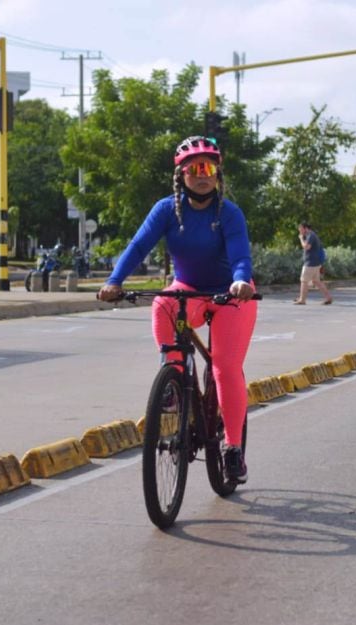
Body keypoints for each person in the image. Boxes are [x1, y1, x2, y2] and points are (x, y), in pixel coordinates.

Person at [98, 135, 257, 483]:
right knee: (162, 303)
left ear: (217, 175)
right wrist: (115, 281)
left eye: (209, 168)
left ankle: (232, 450)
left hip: (232, 294)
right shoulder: (166, 209)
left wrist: (241, 280)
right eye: (195, 168)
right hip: (190, 289)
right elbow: (138, 245)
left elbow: (241, 255)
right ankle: (173, 380)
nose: (203, 174)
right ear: (182, 174)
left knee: (224, 367)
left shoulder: (228, 213)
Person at [294, 222, 332, 305]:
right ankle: (328, 298)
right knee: (316, 281)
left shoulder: (310, 235)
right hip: (315, 262)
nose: (300, 231)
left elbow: (306, 247)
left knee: (304, 280)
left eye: (301, 229)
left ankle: (302, 299)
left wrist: (301, 238)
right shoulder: (311, 235)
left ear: (305, 228)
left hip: (310, 263)